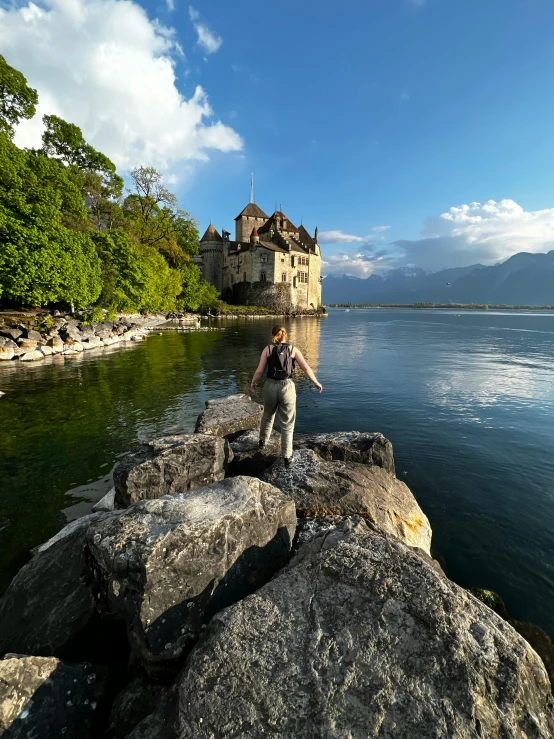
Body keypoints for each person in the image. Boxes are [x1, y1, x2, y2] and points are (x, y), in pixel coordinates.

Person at [250, 325, 323, 466]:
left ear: (273, 335)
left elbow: (259, 370)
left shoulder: (268, 349)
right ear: (285, 335)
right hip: (287, 387)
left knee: (268, 414)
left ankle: (263, 441)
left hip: (270, 386)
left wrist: (253, 383)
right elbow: (306, 368)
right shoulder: (293, 349)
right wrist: (315, 382)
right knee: (287, 423)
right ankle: (287, 456)